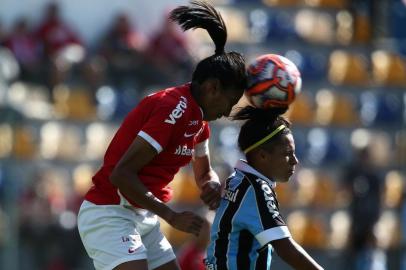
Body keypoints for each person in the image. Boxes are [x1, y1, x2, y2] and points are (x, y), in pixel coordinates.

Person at [77, 2, 246, 270]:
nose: (228, 111)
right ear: (213, 88)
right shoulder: (173, 109)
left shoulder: (199, 123)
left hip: (142, 216)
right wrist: (170, 215)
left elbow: (204, 172)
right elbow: (121, 175)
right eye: (230, 100)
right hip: (110, 211)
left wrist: (210, 185)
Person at [205, 106, 324, 270]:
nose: (294, 161)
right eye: (287, 153)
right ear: (262, 156)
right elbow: (286, 249)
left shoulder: (236, 180)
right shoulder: (257, 189)